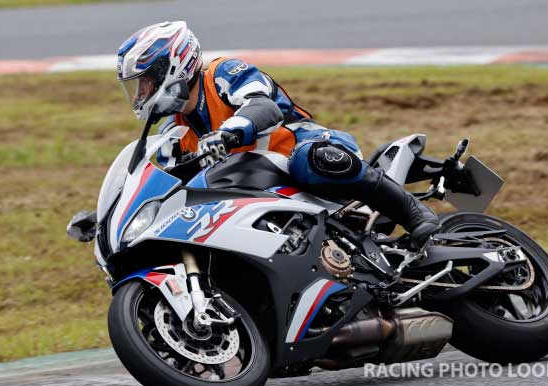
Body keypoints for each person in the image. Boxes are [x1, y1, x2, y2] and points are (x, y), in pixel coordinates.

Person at [117, 21, 440, 249]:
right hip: (255, 187)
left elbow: (263, 106)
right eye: (137, 87)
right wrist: (112, 216)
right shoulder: (173, 130)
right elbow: (165, 183)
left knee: (311, 159)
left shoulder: (222, 74)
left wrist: (228, 133)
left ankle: (413, 212)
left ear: (173, 66)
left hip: (300, 152)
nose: (140, 94)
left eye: (145, 82)